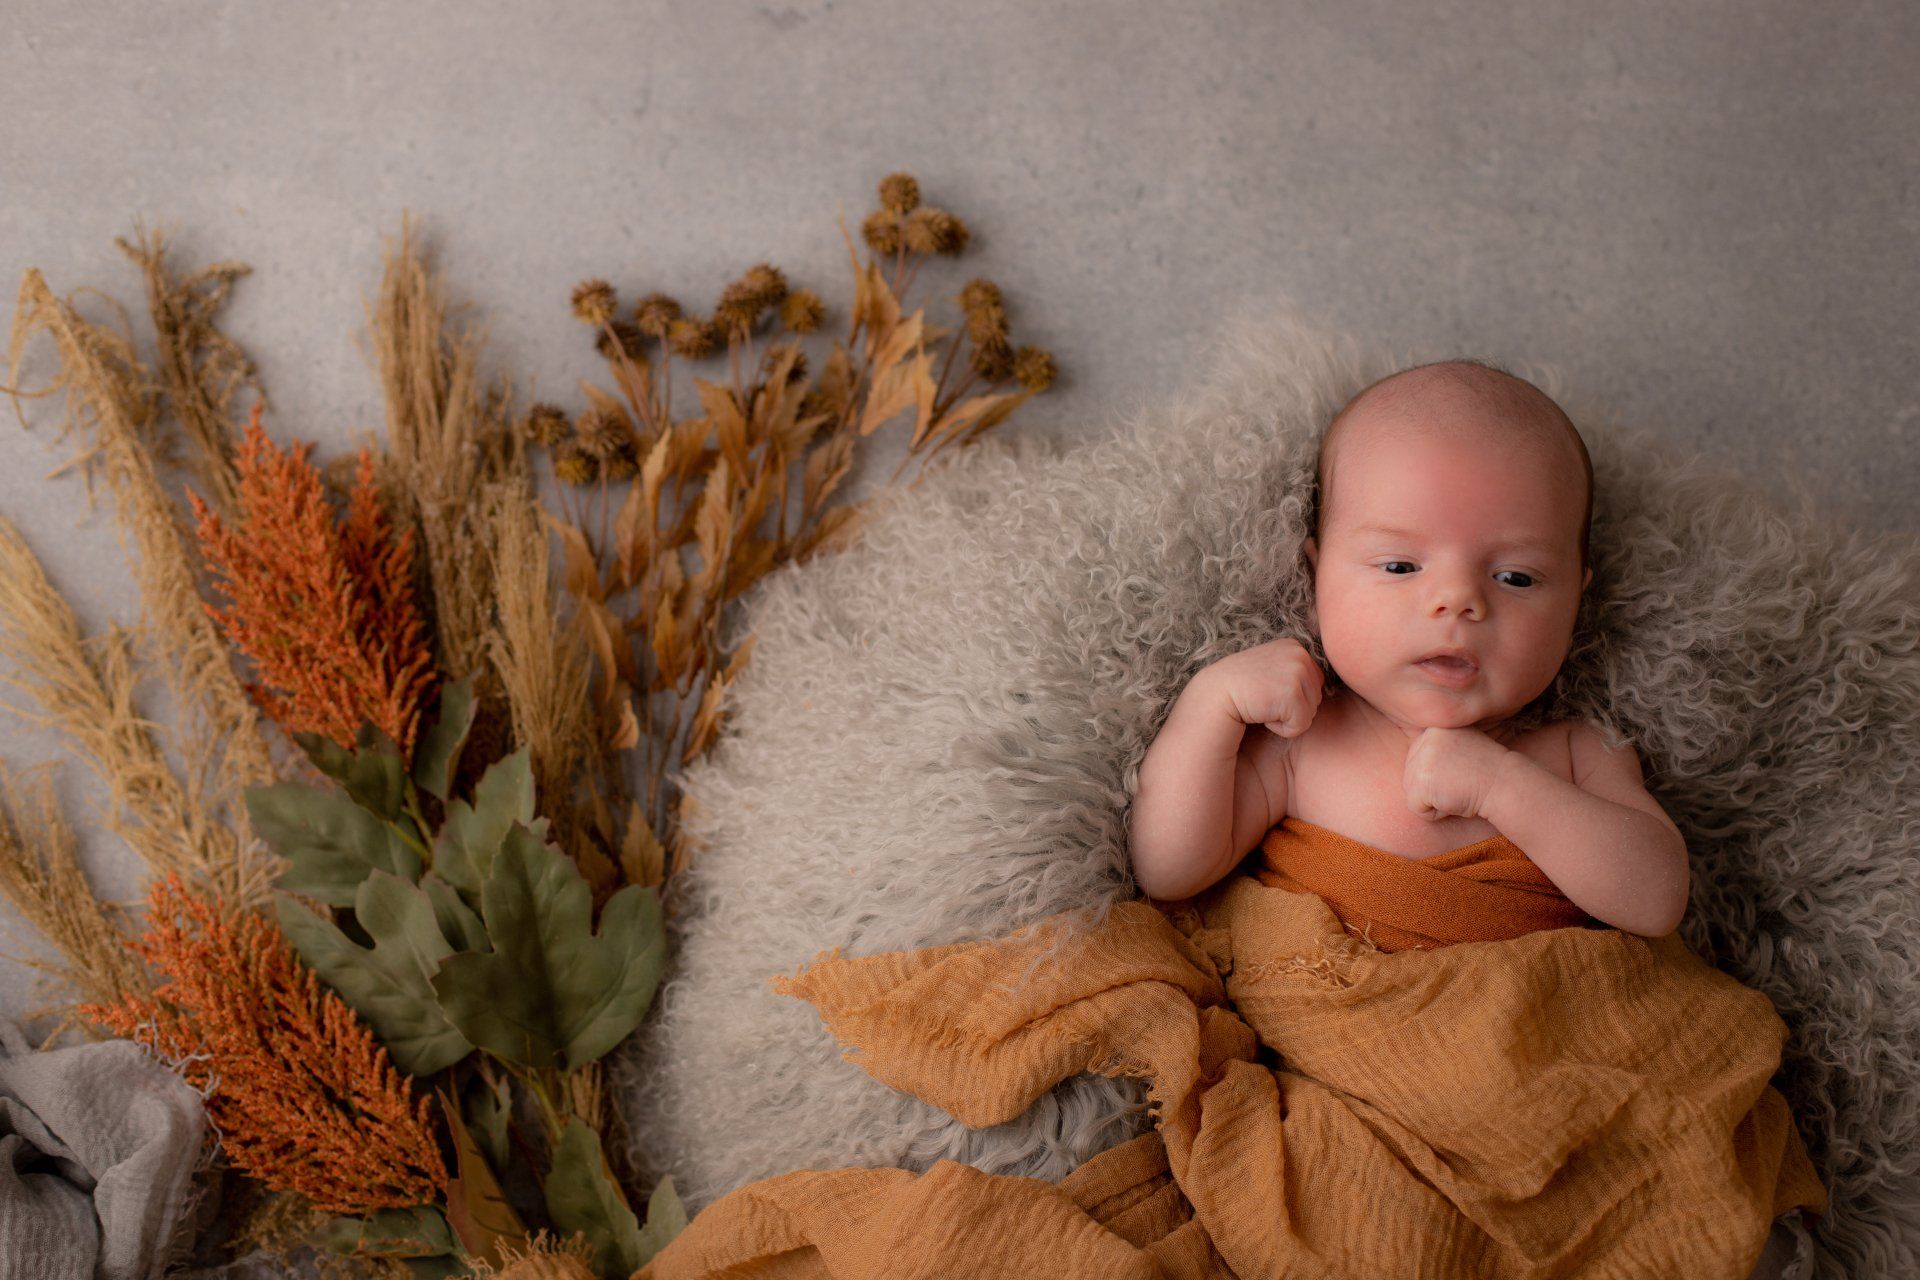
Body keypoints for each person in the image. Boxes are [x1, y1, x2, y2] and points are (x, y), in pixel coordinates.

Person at [1127, 357, 1814, 1280]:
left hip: (1558, 1084)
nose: (1458, 601)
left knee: (1688, 1191)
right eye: (1400, 564)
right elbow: (1170, 869)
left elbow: (1654, 901)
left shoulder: (1573, 754)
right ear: (1316, 571)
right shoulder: (1301, 743)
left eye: (1520, 577)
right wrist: (1208, 710)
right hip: (1370, 1104)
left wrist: (1504, 788)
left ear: (1580, 593)